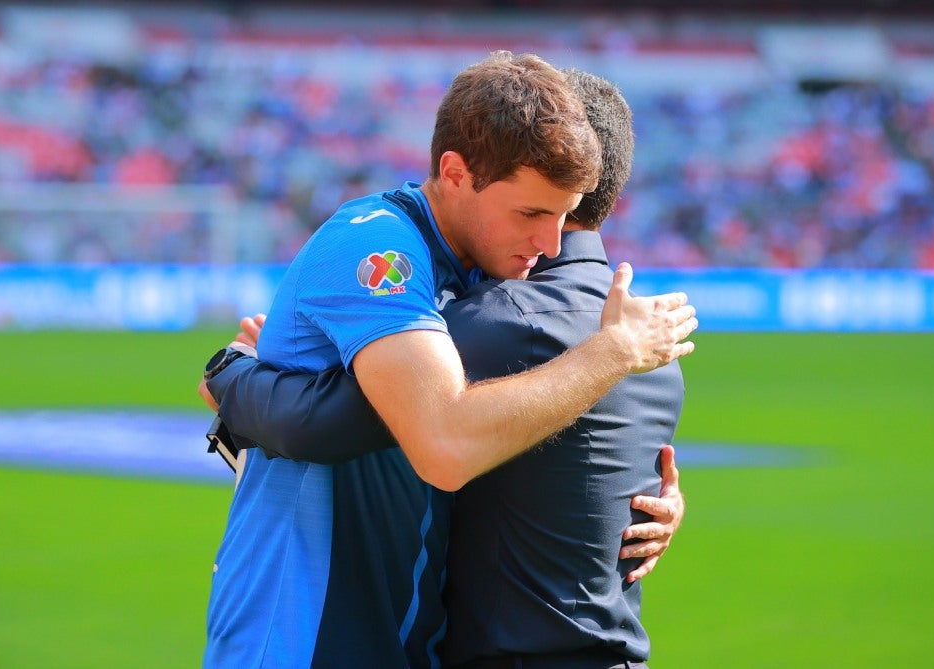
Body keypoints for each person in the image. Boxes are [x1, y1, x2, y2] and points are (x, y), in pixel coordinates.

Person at [199, 52, 697, 669]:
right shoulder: (378, 247)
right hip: (302, 630)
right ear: (456, 173)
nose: (550, 244)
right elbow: (445, 442)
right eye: (532, 214)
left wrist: (638, 503)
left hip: (403, 635)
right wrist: (613, 353)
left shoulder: (477, 278)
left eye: (565, 218)